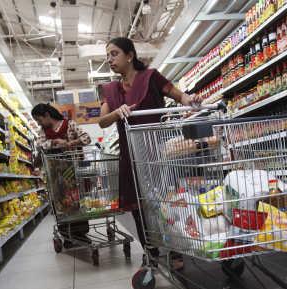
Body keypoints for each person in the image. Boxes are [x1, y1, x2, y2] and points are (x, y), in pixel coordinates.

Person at [98, 37, 202, 266]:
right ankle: (150, 249)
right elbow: (102, 121)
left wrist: (190, 99)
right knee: (138, 205)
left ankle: (176, 249)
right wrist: (118, 112)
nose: (109, 60)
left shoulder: (151, 77)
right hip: (131, 154)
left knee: (166, 201)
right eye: (107, 56)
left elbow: (178, 95)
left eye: (114, 54)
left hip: (158, 151)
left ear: (130, 55)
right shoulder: (111, 89)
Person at [32, 103, 92, 241]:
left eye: (39, 119)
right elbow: (41, 145)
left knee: (76, 202)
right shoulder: (43, 132)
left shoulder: (70, 124)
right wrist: (54, 142)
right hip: (55, 174)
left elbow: (86, 138)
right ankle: (66, 235)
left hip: (74, 171)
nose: (39, 123)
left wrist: (71, 143)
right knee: (61, 204)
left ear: (47, 115)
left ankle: (80, 233)